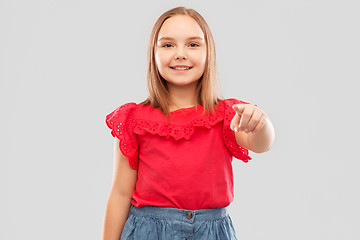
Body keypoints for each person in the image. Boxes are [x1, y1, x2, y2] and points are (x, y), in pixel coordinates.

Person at [102, 6, 275, 240]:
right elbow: (120, 194)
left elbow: (260, 143)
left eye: (193, 44)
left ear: (208, 52)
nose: (180, 53)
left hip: (212, 232)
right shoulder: (134, 120)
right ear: (153, 53)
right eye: (168, 44)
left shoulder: (227, 114)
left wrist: (261, 124)